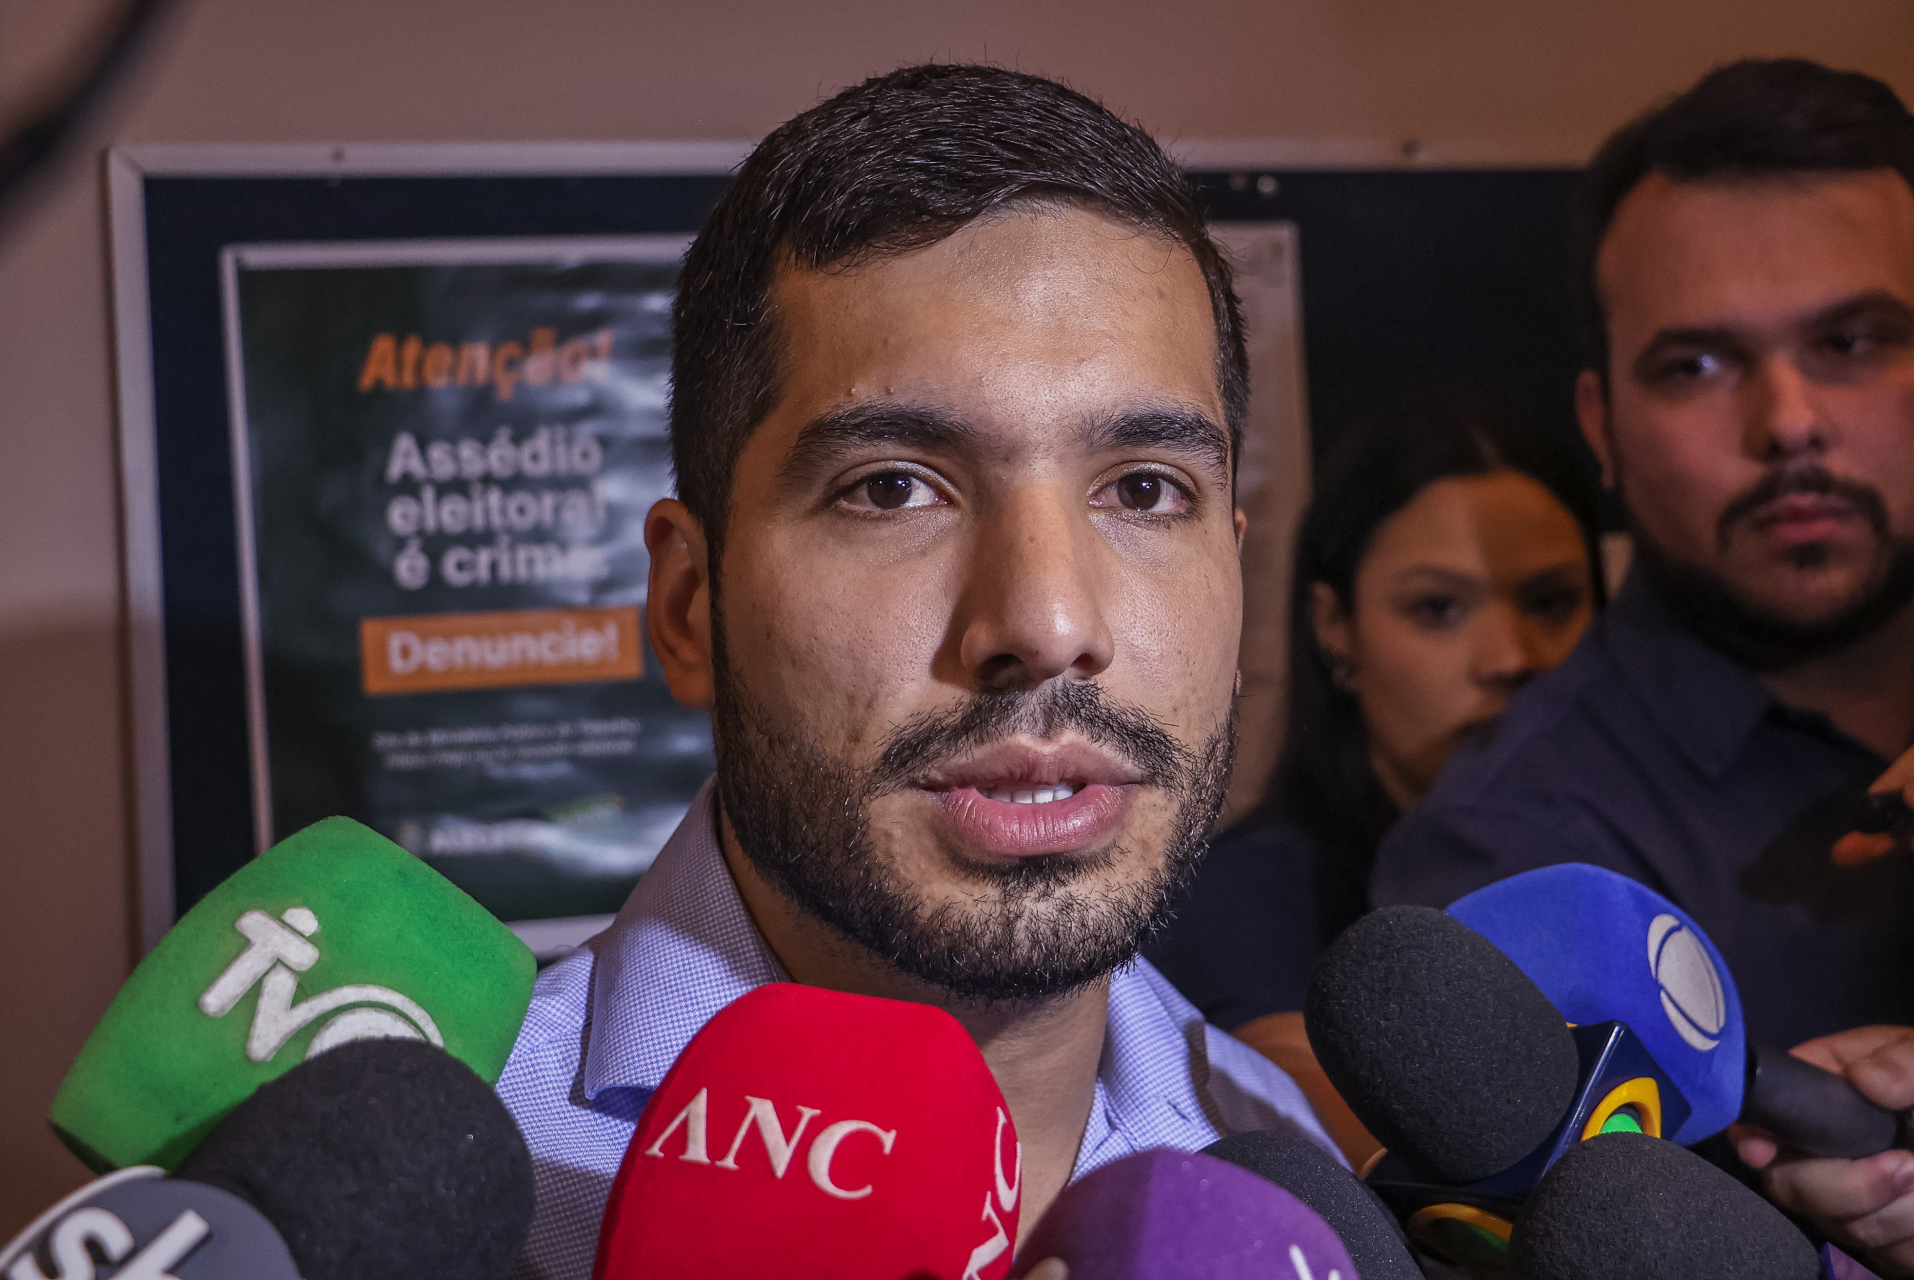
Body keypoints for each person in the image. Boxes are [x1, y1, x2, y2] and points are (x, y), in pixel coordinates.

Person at [495, 64, 1330, 1279]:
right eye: (892, 486)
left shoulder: (1294, 1171)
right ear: (689, 606)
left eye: (1144, 488)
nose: (1045, 622)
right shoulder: (452, 1181)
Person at [1372, 59, 1914, 1274]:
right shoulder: (1512, 850)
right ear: (1604, 426)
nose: (1787, 422)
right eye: (1697, 366)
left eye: (1853, 339)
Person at [1146, 392, 1602, 1159]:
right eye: (1438, 608)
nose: (1511, 658)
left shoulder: (1636, 862)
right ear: (1335, 626)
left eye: (1553, 603)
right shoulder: (1249, 895)